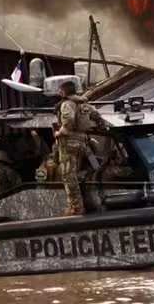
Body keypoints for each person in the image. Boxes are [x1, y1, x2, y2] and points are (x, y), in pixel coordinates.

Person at [55, 79, 103, 215]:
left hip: (69, 144)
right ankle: (89, 202)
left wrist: (60, 132)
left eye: (60, 90)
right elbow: (97, 116)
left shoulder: (67, 104)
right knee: (80, 172)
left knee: (68, 176)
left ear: (64, 92)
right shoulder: (84, 104)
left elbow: (68, 120)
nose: (59, 93)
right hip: (83, 143)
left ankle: (76, 207)